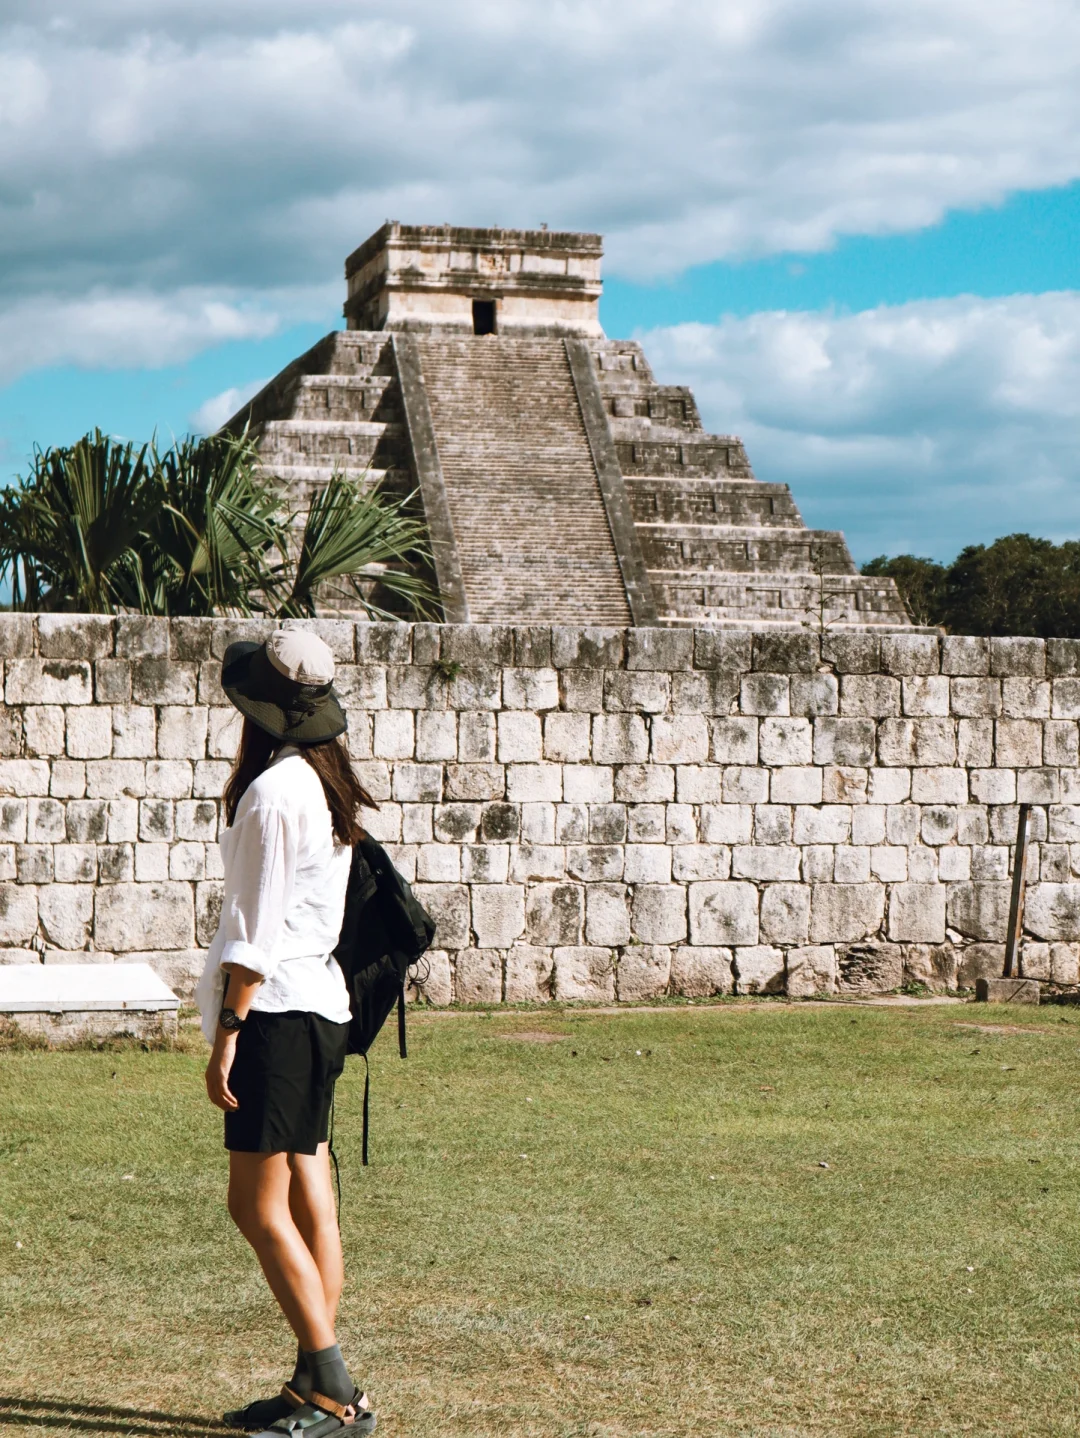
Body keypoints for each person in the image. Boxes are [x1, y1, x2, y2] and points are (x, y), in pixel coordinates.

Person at [195, 629, 378, 1438]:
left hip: (276, 1015)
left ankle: (334, 1383)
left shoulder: (272, 796)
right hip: (319, 1008)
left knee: (256, 1207)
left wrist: (227, 1031)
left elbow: (255, 932)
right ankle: (311, 1382)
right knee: (311, 1199)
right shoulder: (325, 784)